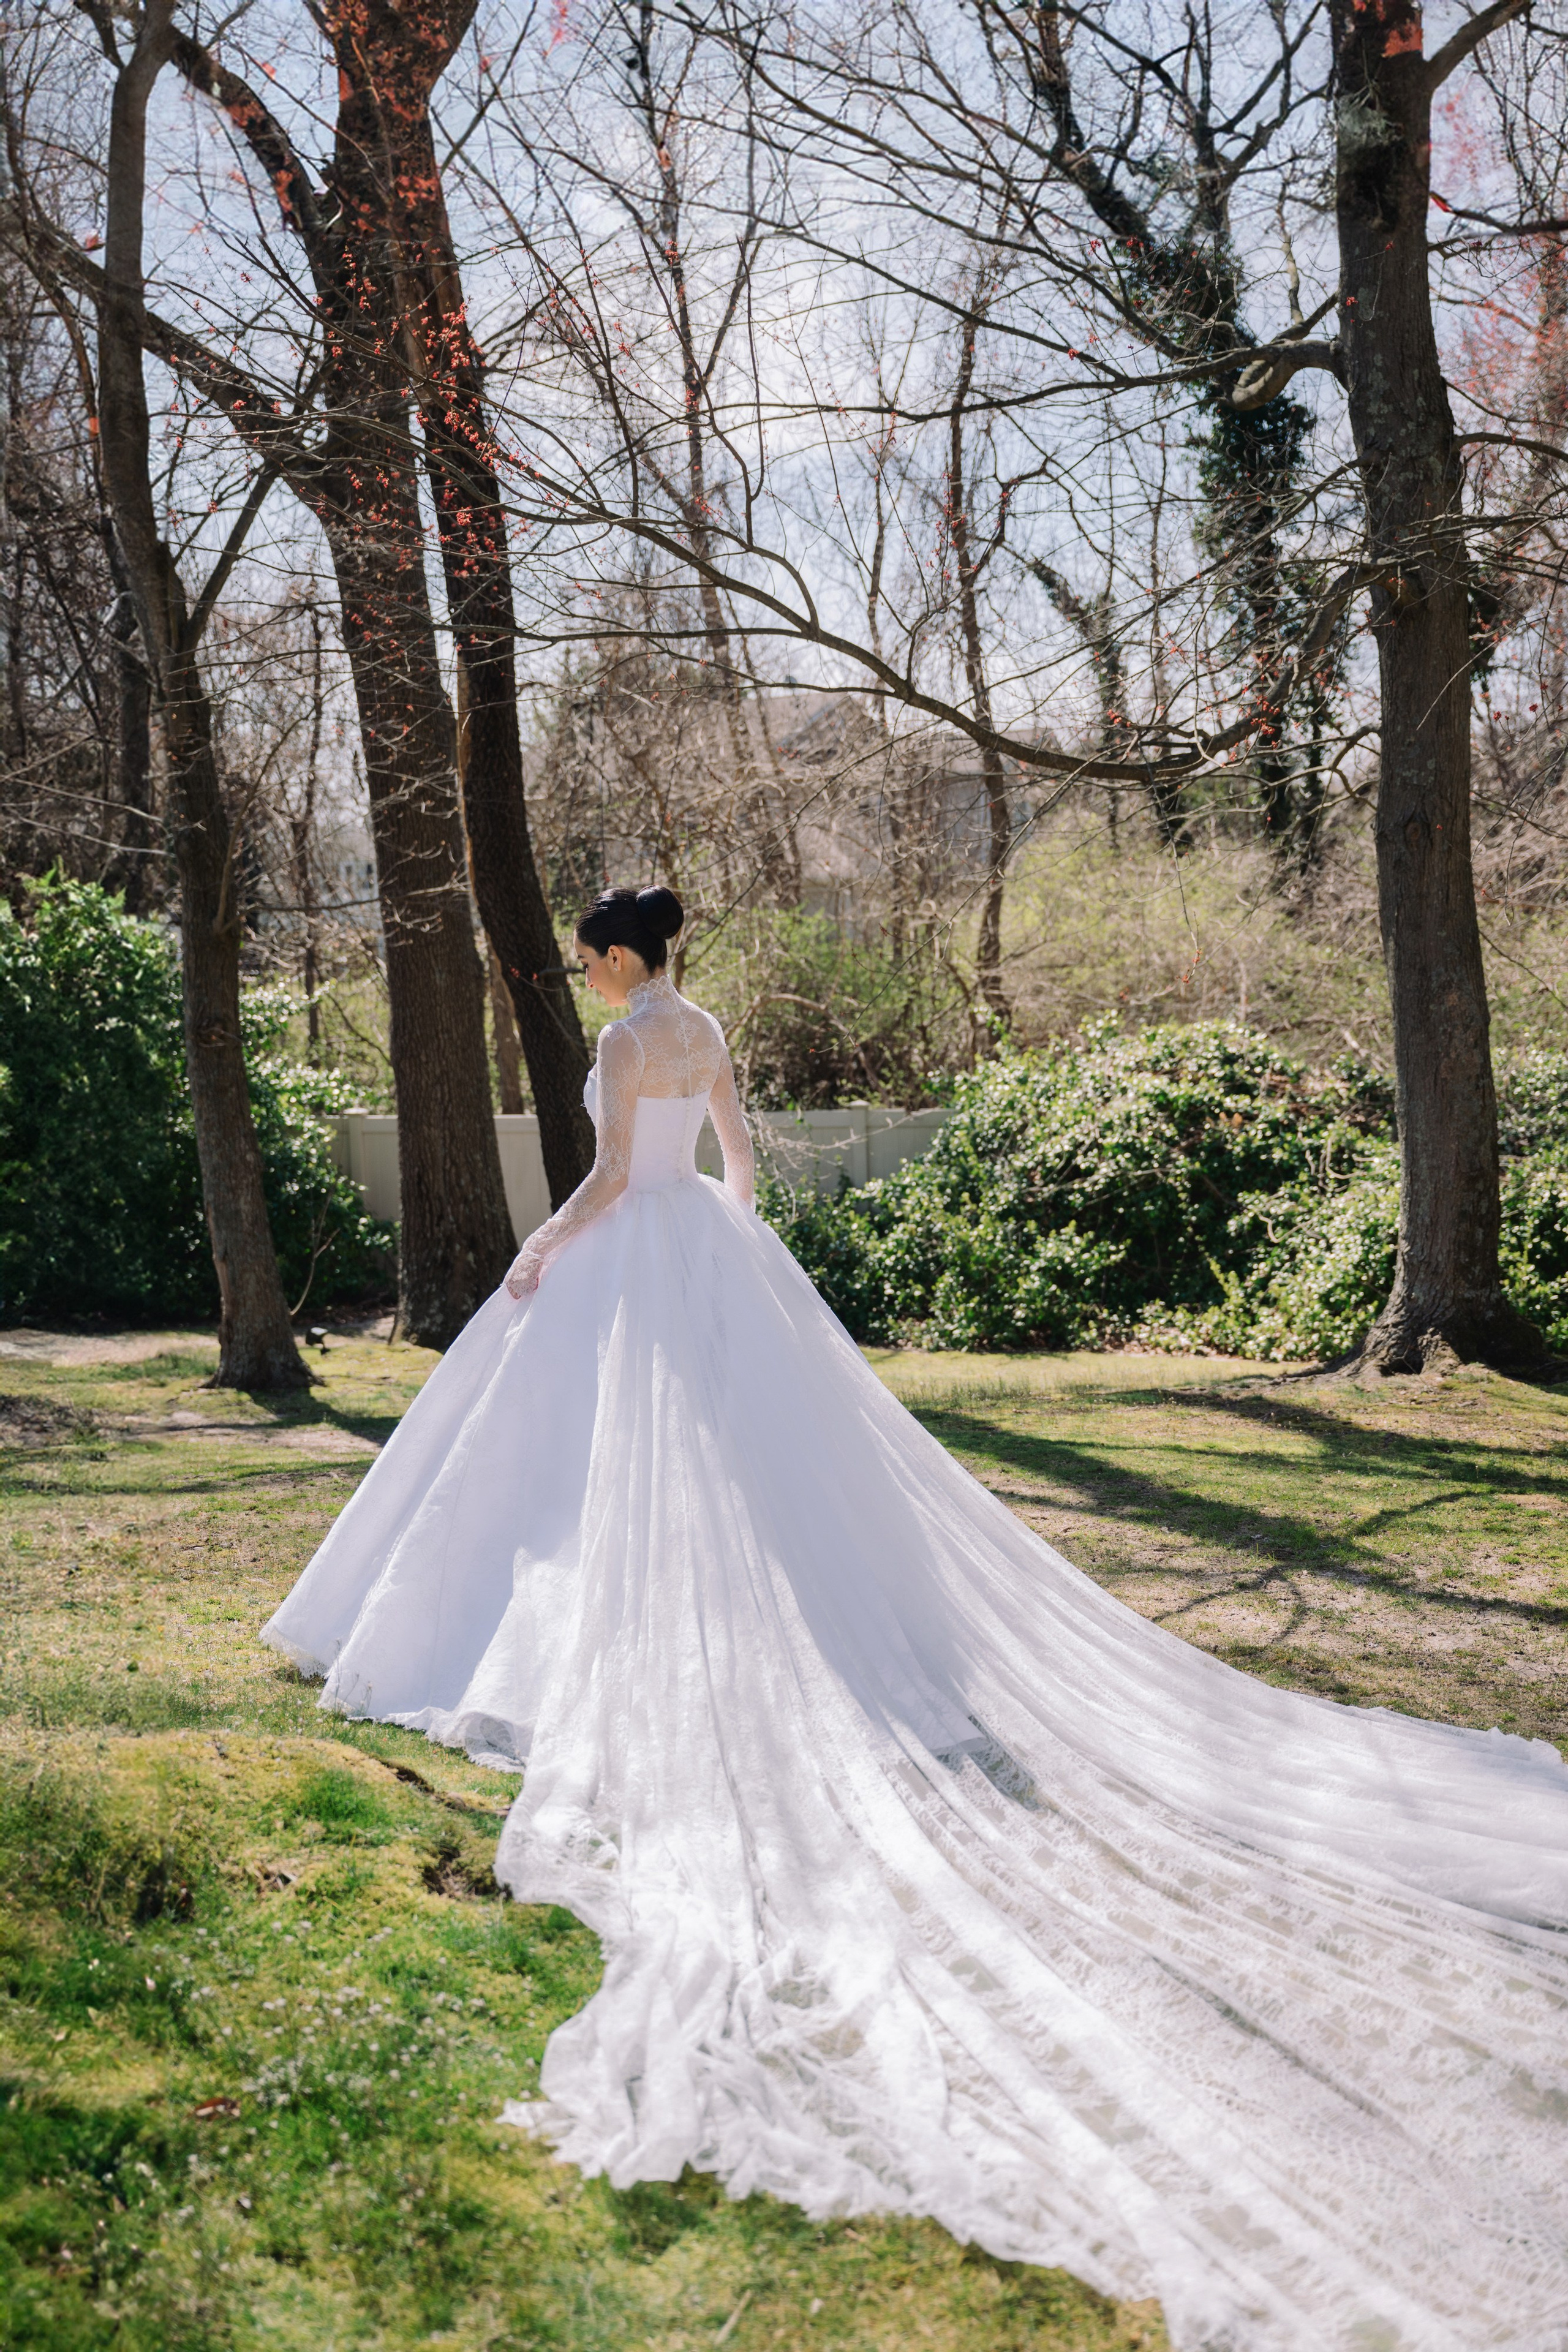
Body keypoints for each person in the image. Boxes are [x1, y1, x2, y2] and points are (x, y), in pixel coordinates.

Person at [265, 883, 1568, 2352]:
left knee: (595, 1460)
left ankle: (522, 1636)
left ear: (621, 955)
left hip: (636, 1252)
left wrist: (539, 1251)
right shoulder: (706, 1029)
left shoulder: (635, 1040)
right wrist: (745, 1266)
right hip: (709, 1254)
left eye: (588, 946)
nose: (580, 963)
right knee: (706, 1468)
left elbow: (608, 1183)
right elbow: (735, 1163)